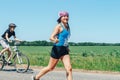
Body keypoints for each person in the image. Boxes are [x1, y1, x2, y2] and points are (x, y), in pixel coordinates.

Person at [32, 11, 72, 80]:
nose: (66, 17)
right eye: (64, 16)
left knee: (69, 69)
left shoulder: (68, 26)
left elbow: (65, 38)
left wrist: (67, 47)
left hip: (64, 49)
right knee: (50, 68)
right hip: (57, 49)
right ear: (60, 18)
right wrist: (54, 40)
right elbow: (51, 37)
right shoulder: (59, 26)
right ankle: (36, 77)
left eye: (67, 16)